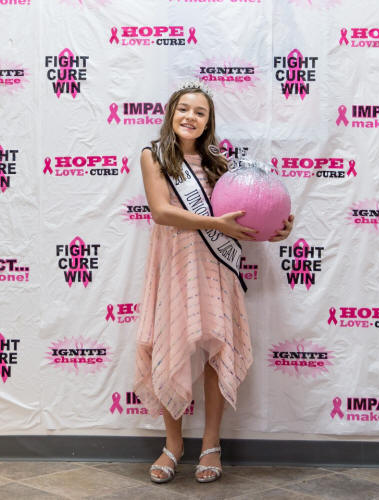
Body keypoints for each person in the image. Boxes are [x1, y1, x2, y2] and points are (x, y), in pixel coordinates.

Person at [134, 82, 294, 484]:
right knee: (172, 345)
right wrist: (215, 224)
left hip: (215, 265)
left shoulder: (220, 163)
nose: (190, 116)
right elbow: (161, 212)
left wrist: (277, 226)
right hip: (175, 264)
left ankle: (211, 444)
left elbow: (243, 214)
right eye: (183, 109)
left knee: (214, 350)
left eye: (200, 112)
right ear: (171, 113)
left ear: (208, 122)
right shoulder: (154, 155)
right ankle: (172, 445)